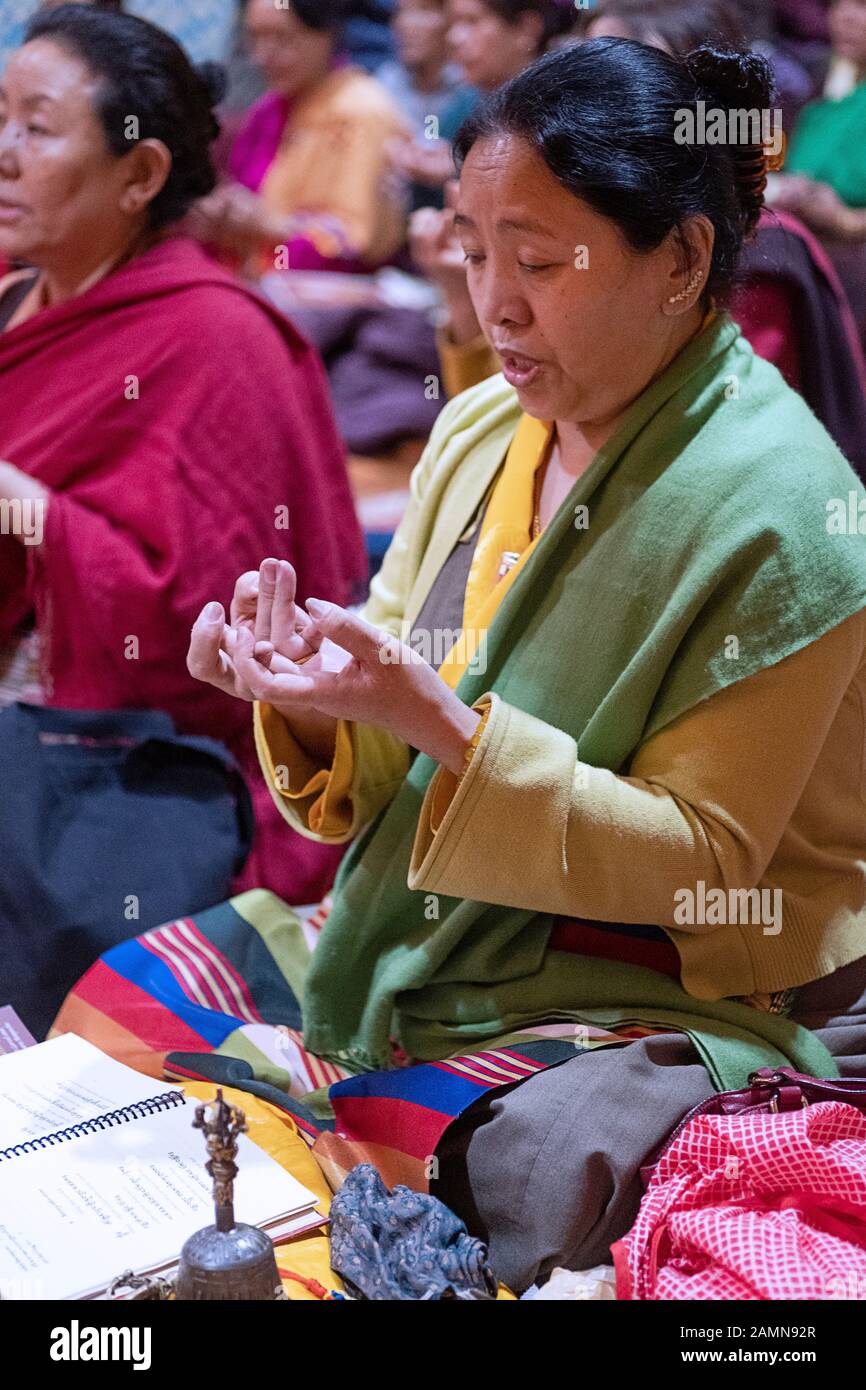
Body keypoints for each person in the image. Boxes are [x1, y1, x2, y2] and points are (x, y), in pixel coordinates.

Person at [66, 38, 866, 1292]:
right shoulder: (484, 426)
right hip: (441, 919)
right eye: (473, 248)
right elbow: (402, 692)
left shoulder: (780, 507)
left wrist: (447, 730)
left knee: (491, 1154)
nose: (492, 303)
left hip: (662, 966)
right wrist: (312, 695)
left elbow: (703, 867)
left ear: (683, 260)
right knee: (125, 996)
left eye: (539, 262)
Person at [0, 4, 366, 904]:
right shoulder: (14, 298)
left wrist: (27, 508)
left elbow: (215, 632)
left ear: (141, 174)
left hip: (132, 776)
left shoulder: (219, 339)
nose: (3, 150)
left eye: (37, 129)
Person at [414, 0, 866, 474]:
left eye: (619, 84)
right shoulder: (488, 420)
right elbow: (509, 435)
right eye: (476, 255)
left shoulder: (763, 259)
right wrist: (462, 299)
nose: (581, 108)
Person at [197, 0, 409, 275]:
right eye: (255, 37)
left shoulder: (361, 111)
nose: (262, 55)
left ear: (327, 34)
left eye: (281, 38)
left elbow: (355, 243)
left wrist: (272, 227)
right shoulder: (269, 109)